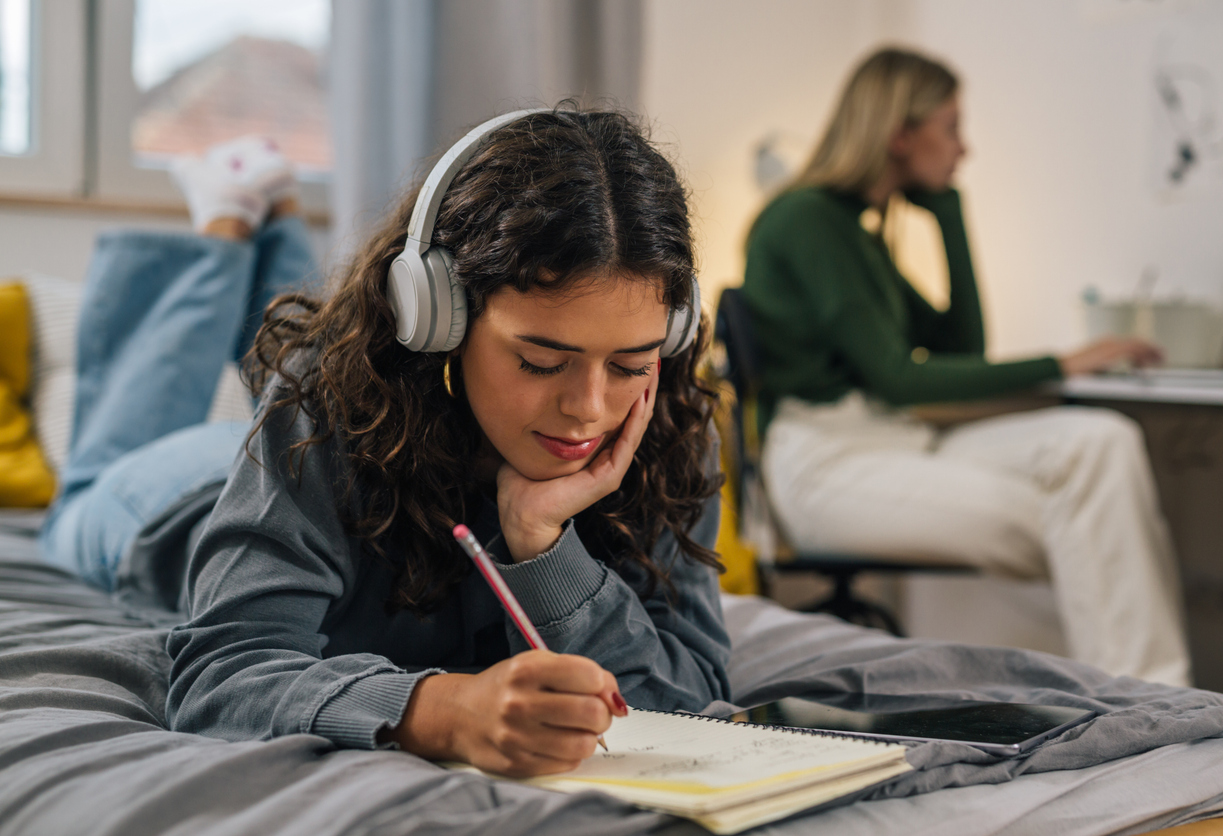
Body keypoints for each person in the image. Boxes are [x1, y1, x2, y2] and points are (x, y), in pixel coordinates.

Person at [39, 108, 730, 778]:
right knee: (92, 480)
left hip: (272, 456)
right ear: (436, 314)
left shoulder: (666, 428)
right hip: (176, 501)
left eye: (631, 364)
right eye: (541, 362)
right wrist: (444, 712)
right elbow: (223, 671)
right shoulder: (324, 406)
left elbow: (689, 695)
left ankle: (272, 207)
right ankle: (225, 222)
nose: (589, 410)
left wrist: (544, 545)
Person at [741, 47, 1191, 687]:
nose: (965, 147)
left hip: (899, 445)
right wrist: (1063, 361)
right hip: (826, 466)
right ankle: (1146, 697)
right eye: (951, 127)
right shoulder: (803, 220)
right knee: (1091, 523)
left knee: (1103, 441)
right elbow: (900, 377)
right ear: (900, 133)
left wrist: (951, 216)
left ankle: (1150, 693)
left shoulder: (858, 232)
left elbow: (960, 351)